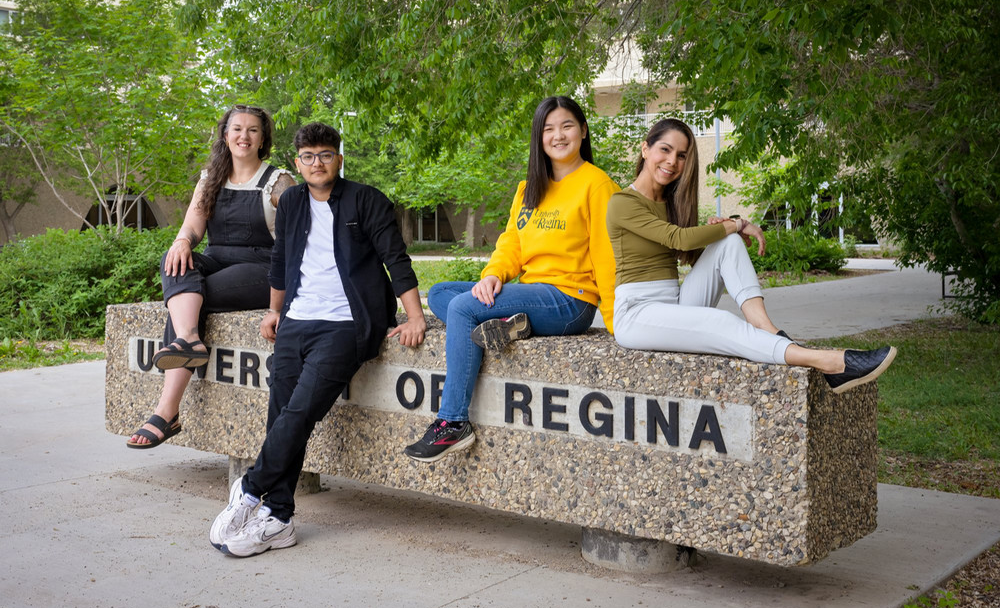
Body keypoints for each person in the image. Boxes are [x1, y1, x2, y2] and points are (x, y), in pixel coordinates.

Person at [211, 122, 426, 557]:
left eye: (325, 154)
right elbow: (282, 261)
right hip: (296, 321)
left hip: (346, 324)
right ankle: (281, 519)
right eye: (308, 156)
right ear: (297, 162)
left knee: (300, 410)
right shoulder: (291, 201)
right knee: (284, 412)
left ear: (339, 159)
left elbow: (395, 260)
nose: (317, 163)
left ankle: (250, 491)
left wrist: (415, 316)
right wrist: (275, 310)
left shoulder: (365, 199)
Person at [606, 118, 896, 394]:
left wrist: (721, 231)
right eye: (665, 150)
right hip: (637, 313)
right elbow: (676, 238)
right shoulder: (622, 203)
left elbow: (686, 253)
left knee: (729, 243)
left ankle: (767, 329)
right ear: (646, 149)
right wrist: (738, 223)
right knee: (720, 320)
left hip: (673, 303)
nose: (672, 162)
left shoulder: (670, 202)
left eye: (682, 156)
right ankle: (831, 363)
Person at [403, 95, 619, 463]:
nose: (559, 135)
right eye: (548, 129)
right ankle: (511, 324)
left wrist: (617, 325)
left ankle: (452, 422)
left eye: (567, 125)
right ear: (539, 138)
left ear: (583, 131)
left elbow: (608, 255)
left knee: (462, 308)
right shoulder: (528, 188)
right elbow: (511, 245)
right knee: (441, 293)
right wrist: (491, 276)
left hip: (570, 299)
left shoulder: (597, 185)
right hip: (533, 293)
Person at [128, 105, 296, 448]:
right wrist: (182, 241)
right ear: (225, 135)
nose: (243, 136)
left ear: (263, 139)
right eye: (237, 129)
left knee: (191, 298)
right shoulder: (211, 178)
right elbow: (192, 226)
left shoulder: (278, 181)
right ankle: (188, 339)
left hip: (265, 267)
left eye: (252, 130)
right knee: (174, 259)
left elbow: (299, 238)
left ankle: (166, 410)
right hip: (218, 258)